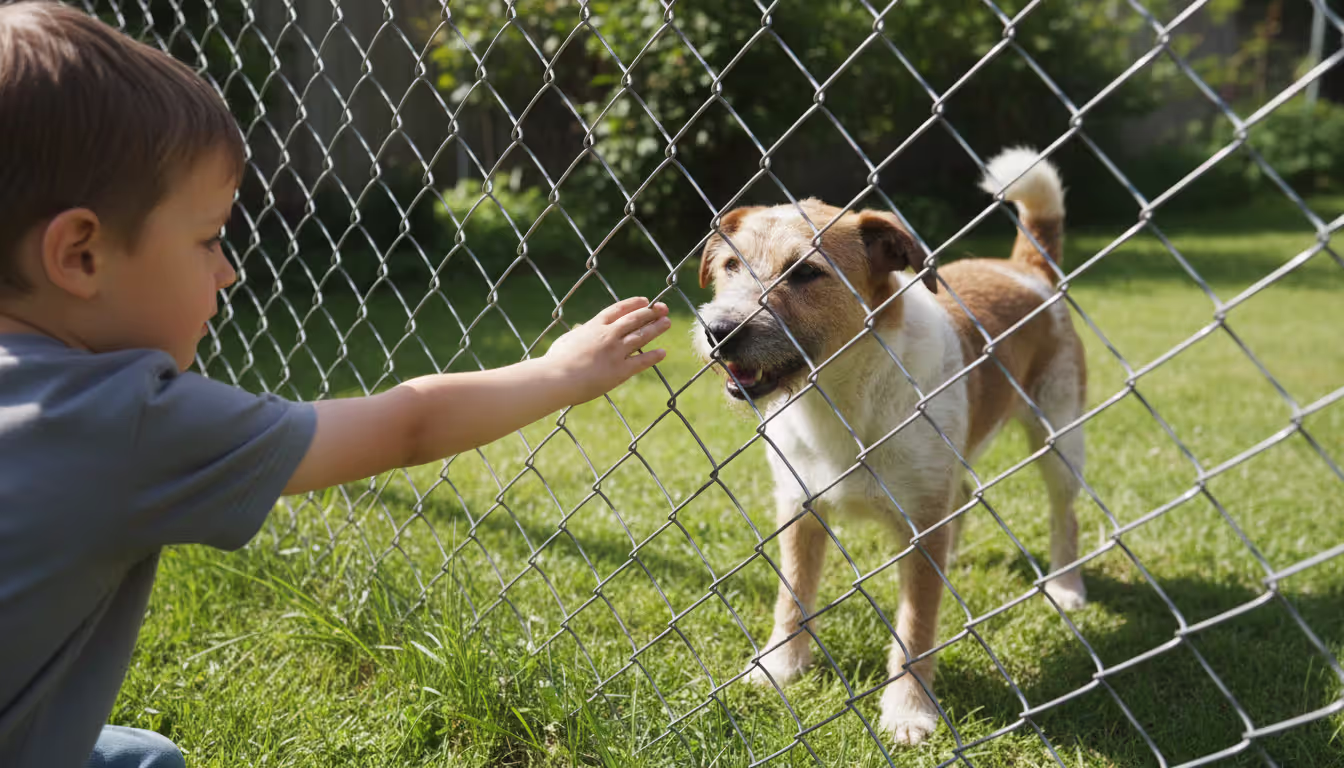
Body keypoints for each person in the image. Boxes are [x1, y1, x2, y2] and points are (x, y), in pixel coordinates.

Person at [0, 3, 672, 766]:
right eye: (210, 237)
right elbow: (406, 425)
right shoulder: (121, 418)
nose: (228, 269)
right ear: (80, 254)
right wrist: (562, 370)